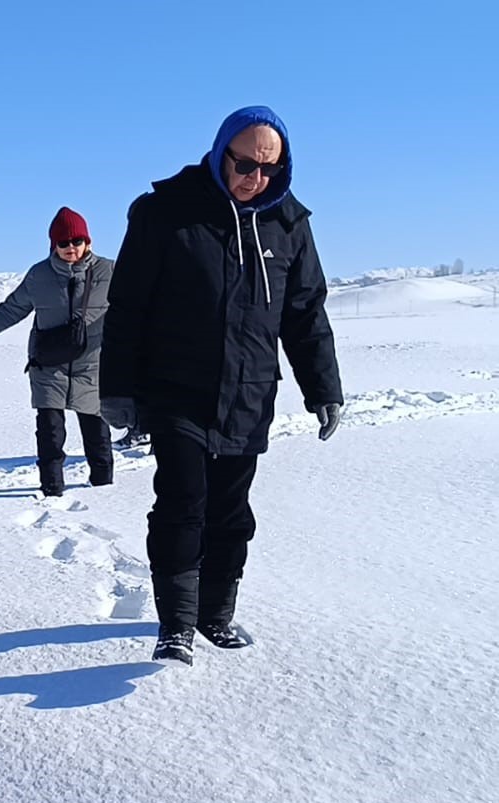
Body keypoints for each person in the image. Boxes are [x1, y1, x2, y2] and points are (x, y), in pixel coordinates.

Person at [100, 106, 343, 665]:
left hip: (250, 392)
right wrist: (118, 388)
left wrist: (323, 387)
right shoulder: (165, 213)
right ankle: (177, 625)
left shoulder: (288, 225)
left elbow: (305, 313)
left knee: (231, 511)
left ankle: (216, 614)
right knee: (184, 502)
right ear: (219, 152)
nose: (253, 178)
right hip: (176, 389)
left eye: (268, 169)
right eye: (244, 164)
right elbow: (129, 305)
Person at [0, 207, 115, 496]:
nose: (70, 248)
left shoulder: (108, 272)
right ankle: (51, 489)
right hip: (48, 363)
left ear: (88, 242)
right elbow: (12, 309)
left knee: (96, 432)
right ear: (53, 244)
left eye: (76, 241)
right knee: (50, 431)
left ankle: (103, 490)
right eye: (63, 243)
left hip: (92, 363)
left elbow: (138, 305)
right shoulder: (39, 275)